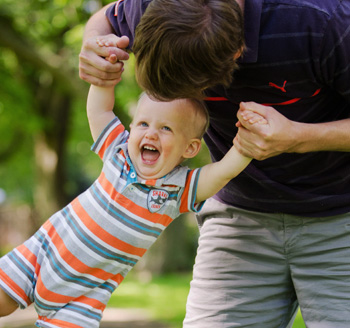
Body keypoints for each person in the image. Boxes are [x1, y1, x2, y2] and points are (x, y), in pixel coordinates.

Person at [78, 0, 350, 327]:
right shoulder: (151, 7)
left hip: (340, 219)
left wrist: (298, 137)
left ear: (237, 51)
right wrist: (93, 44)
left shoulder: (325, 21)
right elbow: (104, 18)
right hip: (238, 219)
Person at [0, 36, 267, 327]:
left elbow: (223, 171)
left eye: (165, 128)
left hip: (86, 293)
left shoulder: (179, 189)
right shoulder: (117, 151)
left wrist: (245, 145)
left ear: (190, 148)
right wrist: (106, 72)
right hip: (42, 252)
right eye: (143, 124)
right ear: (131, 128)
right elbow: (100, 110)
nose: (151, 134)